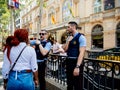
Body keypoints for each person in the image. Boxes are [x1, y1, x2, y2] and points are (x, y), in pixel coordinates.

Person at [63, 21, 86, 90]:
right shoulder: (69, 37)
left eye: (68, 27)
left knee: (77, 85)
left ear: (73, 27)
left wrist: (77, 66)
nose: (67, 29)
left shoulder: (81, 37)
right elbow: (65, 49)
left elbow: (82, 53)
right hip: (69, 62)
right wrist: (68, 41)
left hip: (76, 62)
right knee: (69, 84)